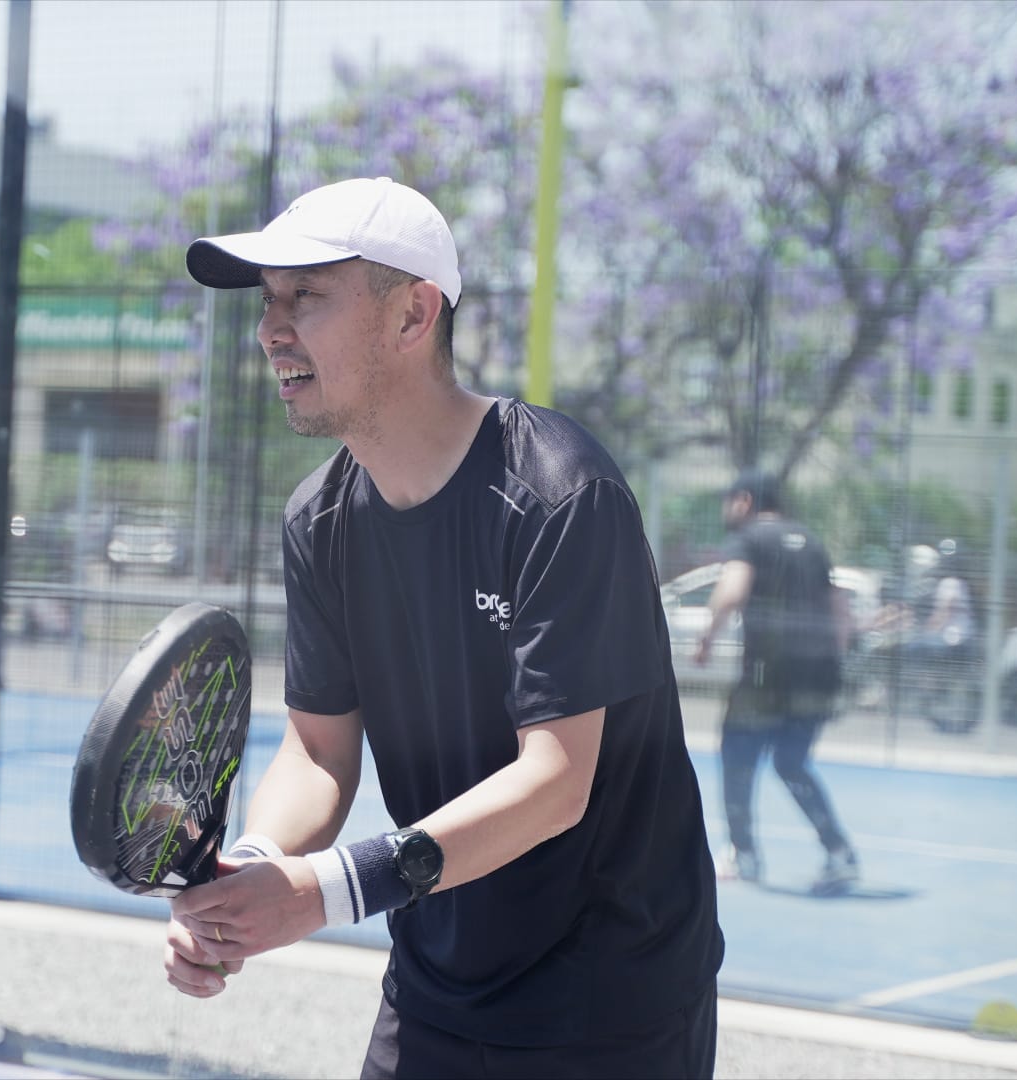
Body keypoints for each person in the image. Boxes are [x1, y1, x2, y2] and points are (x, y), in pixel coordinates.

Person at [165, 177, 723, 1078]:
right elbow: (317, 752)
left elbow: (556, 782)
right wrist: (253, 876)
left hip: (613, 999)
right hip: (435, 983)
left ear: (413, 314)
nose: (272, 329)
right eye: (268, 302)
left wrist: (320, 895)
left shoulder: (560, 494)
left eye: (307, 294)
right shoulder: (318, 521)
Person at [694, 471, 857, 894]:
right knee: (791, 761)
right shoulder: (811, 541)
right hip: (817, 675)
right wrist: (833, 666)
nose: (725, 509)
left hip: (767, 676)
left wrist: (706, 640)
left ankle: (743, 854)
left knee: (738, 756)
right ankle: (839, 852)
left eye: (728, 500)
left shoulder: (748, 540)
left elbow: (732, 592)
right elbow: (840, 611)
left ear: (744, 501)